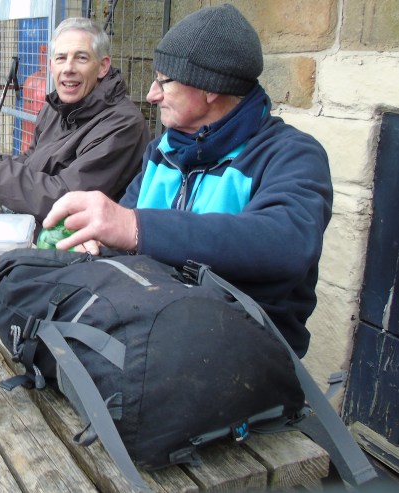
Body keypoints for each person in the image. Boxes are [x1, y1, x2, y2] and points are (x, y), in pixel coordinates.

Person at [42, 4, 333, 358]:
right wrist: (99, 243)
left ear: (210, 88)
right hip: (152, 332)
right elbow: (124, 236)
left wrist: (135, 227)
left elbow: (286, 243)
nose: (152, 94)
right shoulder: (162, 151)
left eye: (163, 81)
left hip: (244, 354)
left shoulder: (291, 154)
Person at [0, 17, 150, 231]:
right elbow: (31, 160)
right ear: (51, 65)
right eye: (61, 58)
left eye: (81, 58)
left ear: (102, 66)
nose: (68, 68)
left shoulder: (124, 124)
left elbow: (67, 199)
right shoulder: (55, 108)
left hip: (83, 244)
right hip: (40, 232)